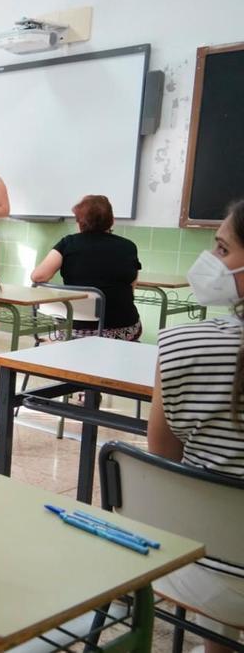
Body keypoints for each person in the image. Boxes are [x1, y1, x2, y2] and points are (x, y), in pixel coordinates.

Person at [148, 199, 244, 653]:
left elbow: (162, 458)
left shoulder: (182, 344)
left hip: (200, 573)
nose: (211, 261)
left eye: (222, 249)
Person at [30, 195, 142, 340]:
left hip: (74, 330)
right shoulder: (128, 247)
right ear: (112, 220)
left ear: (79, 222)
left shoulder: (68, 244)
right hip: (122, 329)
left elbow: (38, 276)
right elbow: (131, 288)